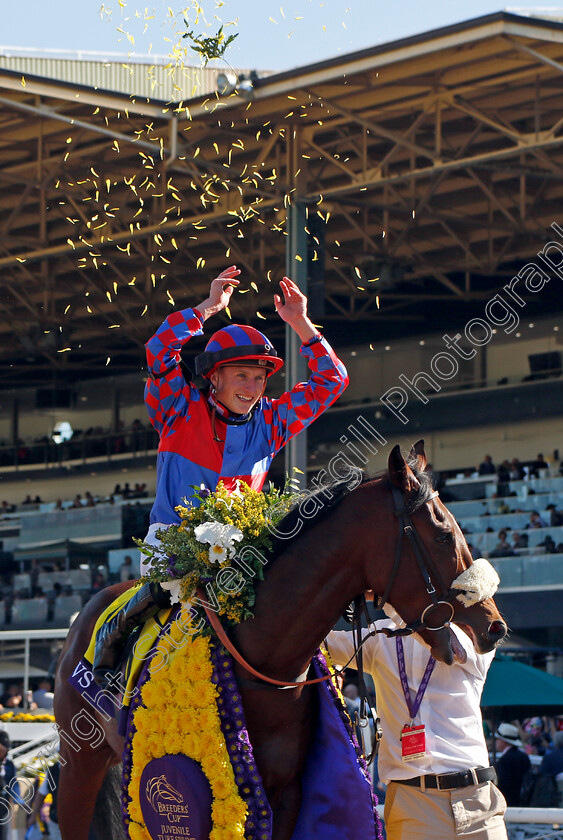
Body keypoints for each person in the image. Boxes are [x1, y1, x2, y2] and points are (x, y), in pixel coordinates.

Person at [93, 266, 348, 689]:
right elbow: (159, 350)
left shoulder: (272, 420)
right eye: (241, 376)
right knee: (173, 592)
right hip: (172, 544)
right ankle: (116, 637)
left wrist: (301, 324)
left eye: (260, 378)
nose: (252, 387)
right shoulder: (177, 406)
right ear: (214, 376)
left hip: (242, 551)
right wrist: (208, 308)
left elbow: (332, 381)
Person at [327, 613, 507, 840]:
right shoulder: (379, 636)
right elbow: (315, 642)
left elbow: (455, 624)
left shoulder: (469, 632)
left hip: (478, 799)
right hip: (413, 801)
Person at [494, 723, 531, 806]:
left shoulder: (505, 760)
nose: (496, 742)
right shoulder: (524, 757)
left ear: (503, 741)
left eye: (497, 739)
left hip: (508, 803)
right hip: (524, 802)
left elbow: (503, 785)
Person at [26, 761, 61, 840]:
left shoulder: (80, 767)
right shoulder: (53, 770)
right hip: (56, 819)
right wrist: (33, 816)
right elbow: (41, 794)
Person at [0, 731, 19, 840]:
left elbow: (13, 783)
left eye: (4, 750)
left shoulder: (9, 764)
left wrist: (18, 800)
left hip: (3, 808)